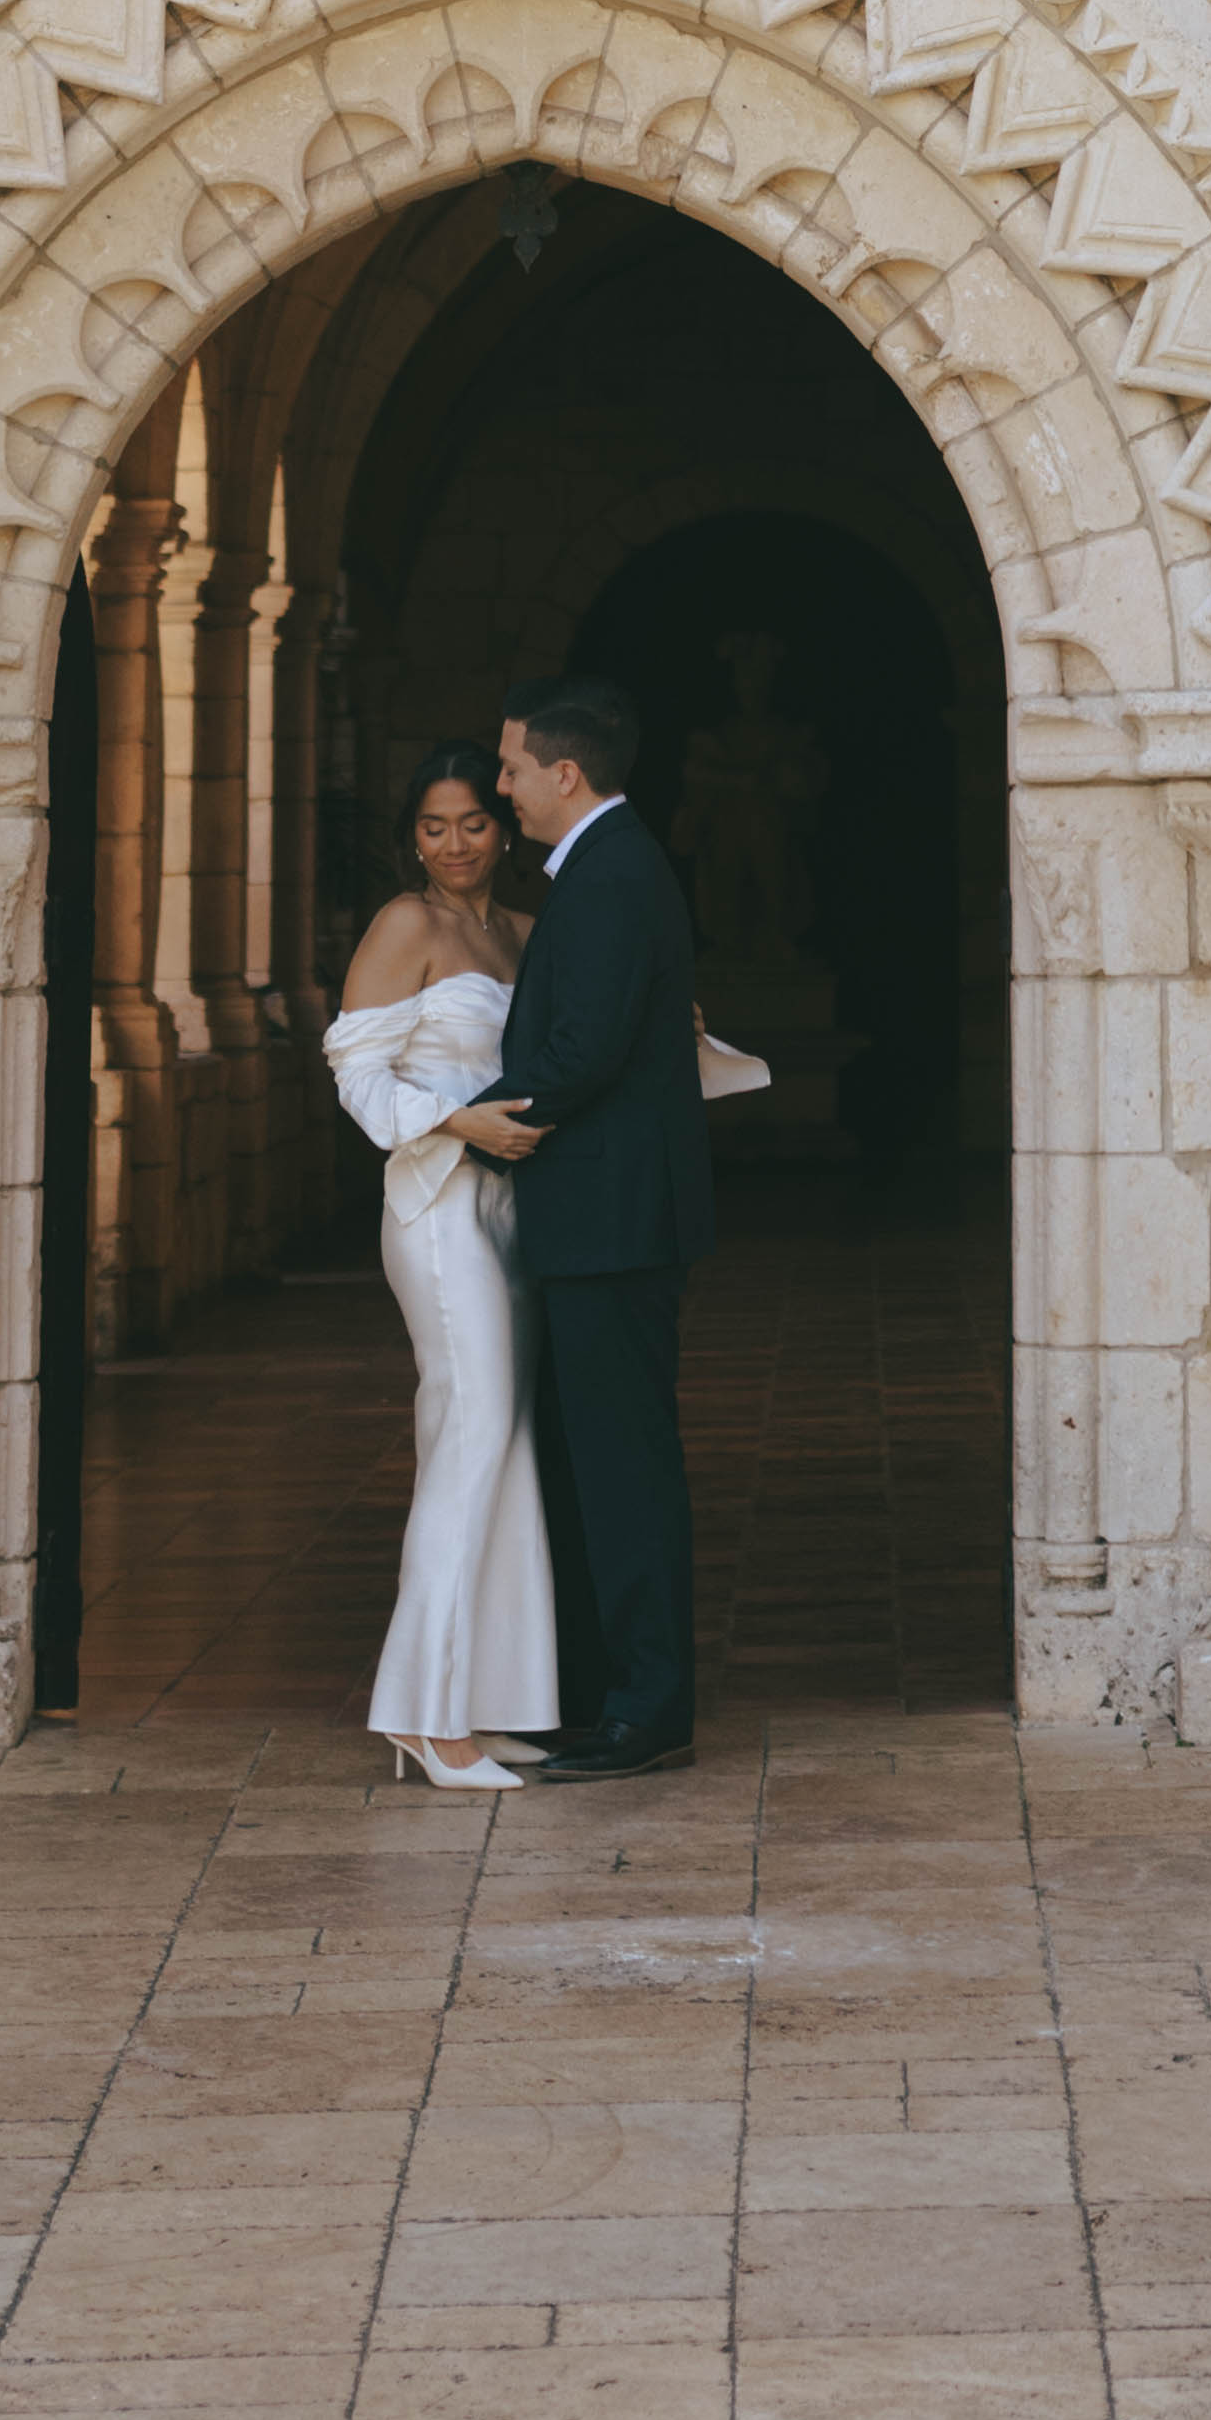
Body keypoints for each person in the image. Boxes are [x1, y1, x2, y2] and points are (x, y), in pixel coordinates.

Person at [449, 674, 712, 1772]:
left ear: (565, 772)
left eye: (510, 769)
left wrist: (464, 1123)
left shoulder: (605, 878)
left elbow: (583, 1050)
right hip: (602, 1217)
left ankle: (644, 1707)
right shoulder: (605, 867)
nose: (500, 787)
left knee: (621, 1464)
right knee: (592, 1454)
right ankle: (606, 1685)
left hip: (611, 1219)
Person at [318, 746, 555, 1787]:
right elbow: (355, 1069)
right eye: (431, 825)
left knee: (503, 1436)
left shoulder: (523, 931)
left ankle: (488, 1699)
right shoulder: (404, 924)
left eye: (471, 822)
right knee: (470, 1431)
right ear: (409, 835)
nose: (454, 843)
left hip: (512, 1208)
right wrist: (456, 1119)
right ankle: (425, 1710)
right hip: (435, 1196)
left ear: (504, 826)